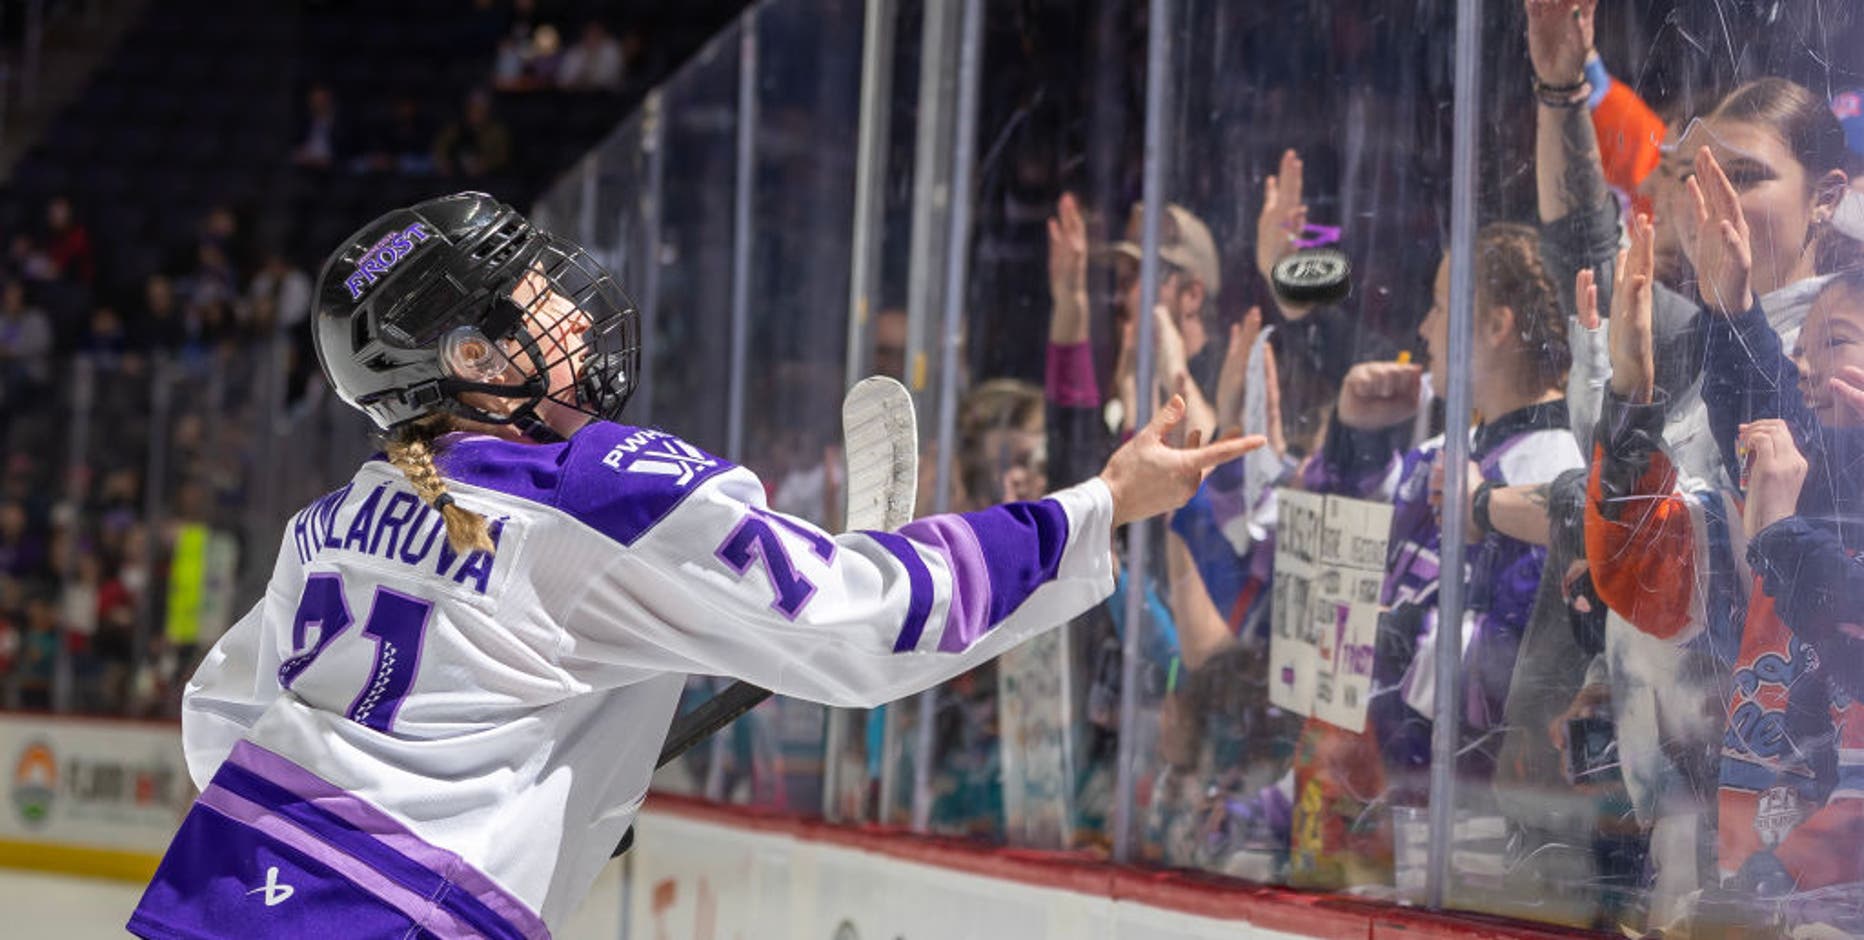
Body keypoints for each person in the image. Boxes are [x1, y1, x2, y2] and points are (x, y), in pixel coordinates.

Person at [125, 192, 1263, 937]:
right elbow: (865, 622)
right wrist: (1103, 500)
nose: (574, 307)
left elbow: (224, 720)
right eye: (536, 300)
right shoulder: (601, 488)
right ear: (472, 359)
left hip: (202, 902)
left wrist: (530, 780)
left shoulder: (331, 518)